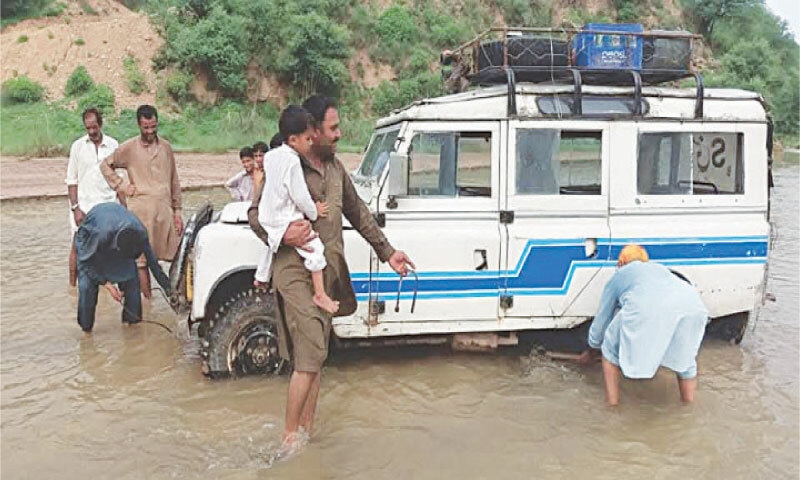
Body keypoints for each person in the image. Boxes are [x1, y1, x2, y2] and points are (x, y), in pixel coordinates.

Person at [248, 95, 415, 457]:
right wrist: (283, 234)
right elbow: (254, 214)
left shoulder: (336, 169)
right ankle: (289, 439)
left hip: (327, 271)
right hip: (292, 269)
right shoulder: (283, 162)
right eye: (333, 128)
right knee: (310, 348)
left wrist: (388, 253)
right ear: (312, 131)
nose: (339, 134)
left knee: (316, 355)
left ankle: (306, 433)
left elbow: (358, 213)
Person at [577, 244, 709, 405]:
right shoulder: (660, 270)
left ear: (621, 263)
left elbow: (601, 322)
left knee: (609, 350)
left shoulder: (620, 275)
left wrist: (591, 350)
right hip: (693, 306)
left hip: (649, 307)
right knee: (685, 358)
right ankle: (688, 406)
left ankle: (612, 407)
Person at [253, 106, 338, 314]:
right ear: (293, 140)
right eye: (308, 139)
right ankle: (320, 294)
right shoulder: (293, 161)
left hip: (267, 215)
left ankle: (261, 276)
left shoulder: (271, 156)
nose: (311, 143)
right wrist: (315, 212)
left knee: (271, 244)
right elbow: (300, 195)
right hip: (284, 217)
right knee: (315, 247)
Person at [100, 105, 183, 299]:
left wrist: (178, 210)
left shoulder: (166, 147)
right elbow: (105, 166)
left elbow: (174, 179)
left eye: (153, 127)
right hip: (141, 213)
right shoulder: (129, 148)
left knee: (178, 254)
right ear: (139, 125)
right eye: (146, 127)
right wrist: (121, 186)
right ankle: (149, 302)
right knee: (142, 261)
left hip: (165, 210)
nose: (150, 131)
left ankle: (176, 298)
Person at [74, 202, 170, 332]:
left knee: (132, 285)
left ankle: (132, 328)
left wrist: (169, 290)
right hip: (91, 246)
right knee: (86, 288)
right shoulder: (100, 234)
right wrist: (107, 284)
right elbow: (86, 261)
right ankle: (86, 330)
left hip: (117, 241)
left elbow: (153, 264)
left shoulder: (140, 233)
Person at [65, 108, 122, 287]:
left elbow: (118, 180)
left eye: (94, 127)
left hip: (107, 205)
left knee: (109, 248)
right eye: (88, 128)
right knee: (77, 246)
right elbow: (72, 179)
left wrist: (124, 208)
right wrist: (75, 208)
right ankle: (72, 288)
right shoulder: (78, 147)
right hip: (84, 206)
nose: (91, 132)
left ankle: (107, 286)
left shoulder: (114, 145)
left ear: (101, 124)